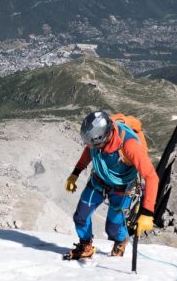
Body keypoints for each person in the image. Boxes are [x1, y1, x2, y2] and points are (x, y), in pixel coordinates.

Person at [64, 110, 159, 259]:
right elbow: (88, 151)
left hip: (123, 187)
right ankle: (85, 245)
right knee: (80, 216)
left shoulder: (129, 145)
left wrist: (147, 213)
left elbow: (151, 177)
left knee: (113, 227)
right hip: (98, 181)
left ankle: (120, 241)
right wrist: (75, 173)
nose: (92, 147)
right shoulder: (96, 141)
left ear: (105, 136)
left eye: (95, 144)